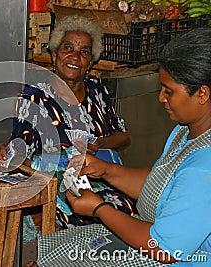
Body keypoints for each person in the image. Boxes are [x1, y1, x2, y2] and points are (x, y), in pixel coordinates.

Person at [28, 27, 211, 266]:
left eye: (169, 91)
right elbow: (162, 184)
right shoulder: (186, 131)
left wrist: (99, 209)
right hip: (150, 234)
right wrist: (105, 170)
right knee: (56, 250)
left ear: (202, 94)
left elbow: (164, 249)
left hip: (166, 257)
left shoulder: (204, 169)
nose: (161, 98)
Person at [0, 15, 135, 230]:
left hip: (104, 179)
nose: (75, 57)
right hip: (60, 190)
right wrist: (8, 150)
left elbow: (124, 136)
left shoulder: (97, 89)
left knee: (127, 215)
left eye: (84, 52)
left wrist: (100, 143)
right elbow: (21, 153)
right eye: (67, 48)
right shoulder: (34, 96)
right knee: (86, 226)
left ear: (91, 61)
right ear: (54, 54)